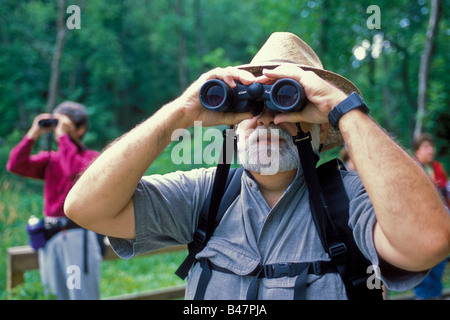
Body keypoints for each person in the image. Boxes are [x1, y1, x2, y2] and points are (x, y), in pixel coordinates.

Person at [65, 32, 450, 300]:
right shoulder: (203, 196)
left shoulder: (354, 201)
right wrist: (178, 114)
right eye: (251, 107)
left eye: (286, 103)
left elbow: (428, 242)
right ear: (233, 124)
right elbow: (85, 207)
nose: (266, 118)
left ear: (319, 130)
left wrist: (342, 110)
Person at [7, 101, 102, 300]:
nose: (59, 130)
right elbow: (15, 165)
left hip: (78, 235)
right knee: (54, 295)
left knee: (81, 295)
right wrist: (33, 133)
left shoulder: (92, 159)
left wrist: (62, 137)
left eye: (65, 126)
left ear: (81, 129)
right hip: (50, 237)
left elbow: (73, 172)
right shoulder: (51, 159)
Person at [412, 133, 449, 299]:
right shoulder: (411, 167)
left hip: (439, 225)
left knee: (439, 262)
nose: (430, 150)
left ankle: (435, 294)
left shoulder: (438, 169)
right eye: (426, 147)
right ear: (417, 151)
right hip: (419, 227)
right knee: (422, 266)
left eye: (431, 146)